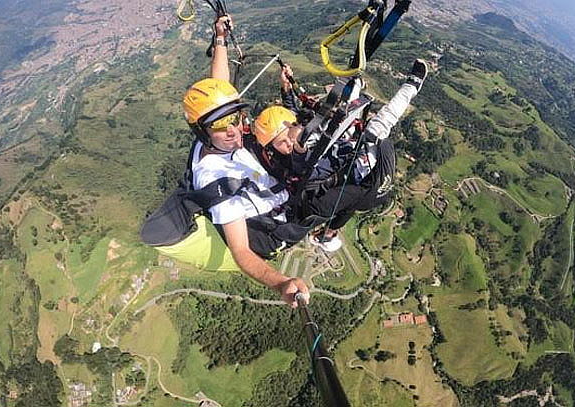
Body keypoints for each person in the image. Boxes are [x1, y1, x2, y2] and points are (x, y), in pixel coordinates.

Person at [182, 15, 314, 308]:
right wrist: (281, 283)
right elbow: (240, 250)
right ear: (203, 131)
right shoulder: (215, 179)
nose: (233, 129)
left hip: (267, 187)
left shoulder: (216, 135)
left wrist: (220, 38)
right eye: (222, 125)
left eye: (233, 117)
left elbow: (220, 82)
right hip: (275, 221)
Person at [250, 59, 428, 251]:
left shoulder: (290, 136)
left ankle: (356, 81)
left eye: (288, 138)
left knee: (346, 111)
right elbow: (301, 166)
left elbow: (289, 119)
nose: (288, 143)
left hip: (338, 143)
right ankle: (412, 85)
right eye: (281, 143)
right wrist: (299, 147)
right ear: (271, 147)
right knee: (378, 126)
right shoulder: (288, 162)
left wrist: (286, 87)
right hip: (356, 167)